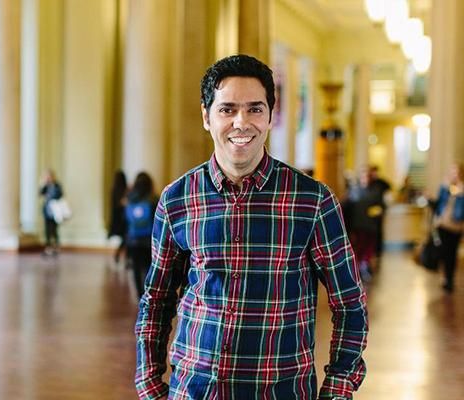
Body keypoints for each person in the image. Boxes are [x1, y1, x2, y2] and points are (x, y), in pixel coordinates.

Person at [135, 55, 368, 399]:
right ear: (206, 116)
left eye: (255, 109)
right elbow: (156, 300)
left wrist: (337, 388)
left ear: (271, 117)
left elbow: (350, 303)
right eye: (227, 109)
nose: (241, 122)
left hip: (279, 391)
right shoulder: (177, 199)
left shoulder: (312, 201)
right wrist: (150, 384)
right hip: (194, 390)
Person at [343, 167, 384, 281]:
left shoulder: (375, 191)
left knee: (368, 248)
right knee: (358, 248)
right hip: (357, 225)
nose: (365, 179)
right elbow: (346, 208)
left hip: (371, 225)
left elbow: (380, 207)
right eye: (363, 176)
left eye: (368, 176)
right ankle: (359, 269)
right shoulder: (354, 191)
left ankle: (364, 267)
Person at [430, 162, 464, 293]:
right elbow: (439, 204)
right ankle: (445, 276)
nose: (454, 175)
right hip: (443, 224)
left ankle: (450, 279)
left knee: (452, 253)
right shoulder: (444, 187)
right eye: (452, 172)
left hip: (456, 226)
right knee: (443, 252)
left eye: (457, 172)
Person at [125, 172, 158, 300]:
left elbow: (126, 219)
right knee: (148, 267)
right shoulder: (153, 199)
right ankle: (148, 293)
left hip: (133, 239)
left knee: (136, 268)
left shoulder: (130, 198)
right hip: (148, 239)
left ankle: (139, 294)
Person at [368, 165, 391, 256]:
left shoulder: (382, 182)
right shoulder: (370, 183)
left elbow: (389, 191)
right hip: (370, 211)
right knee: (372, 231)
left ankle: (378, 250)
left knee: (379, 230)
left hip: (380, 210)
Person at [39, 169, 63, 256]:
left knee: (54, 230)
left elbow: (59, 194)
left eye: (49, 176)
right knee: (47, 230)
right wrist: (44, 184)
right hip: (47, 211)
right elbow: (40, 193)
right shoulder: (46, 185)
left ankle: (56, 247)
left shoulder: (56, 185)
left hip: (55, 211)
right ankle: (48, 248)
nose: (48, 178)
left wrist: (50, 195)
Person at [108, 170, 129, 263]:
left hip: (116, 216)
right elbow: (122, 203)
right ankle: (121, 255)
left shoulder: (113, 189)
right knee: (126, 237)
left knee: (125, 237)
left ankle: (121, 255)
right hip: (122, 218)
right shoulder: (123, 190)